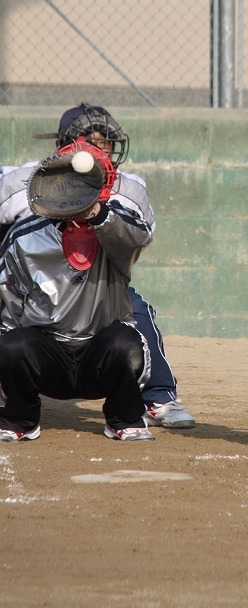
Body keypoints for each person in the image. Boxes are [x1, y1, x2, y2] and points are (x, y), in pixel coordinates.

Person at [0, 104, 195, 430]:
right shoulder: (20, 182)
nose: (98, 148)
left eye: (105, 141)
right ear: (62, 145)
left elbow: (140, 236)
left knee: (134, 308)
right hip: (36, 284)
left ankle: (158, 397)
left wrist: (97, 210)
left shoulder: (127, 188)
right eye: (89, 140)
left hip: (96, 285)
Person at [0, 140, 155, 441]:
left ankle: (124, 418)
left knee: (126, 344)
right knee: (11, 345)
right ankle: (20, 418)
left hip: (100, 355)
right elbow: (8, 310)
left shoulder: (115, 237)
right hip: (46, 356)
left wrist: (95, 210)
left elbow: (138, 236)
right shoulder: (25, 238)